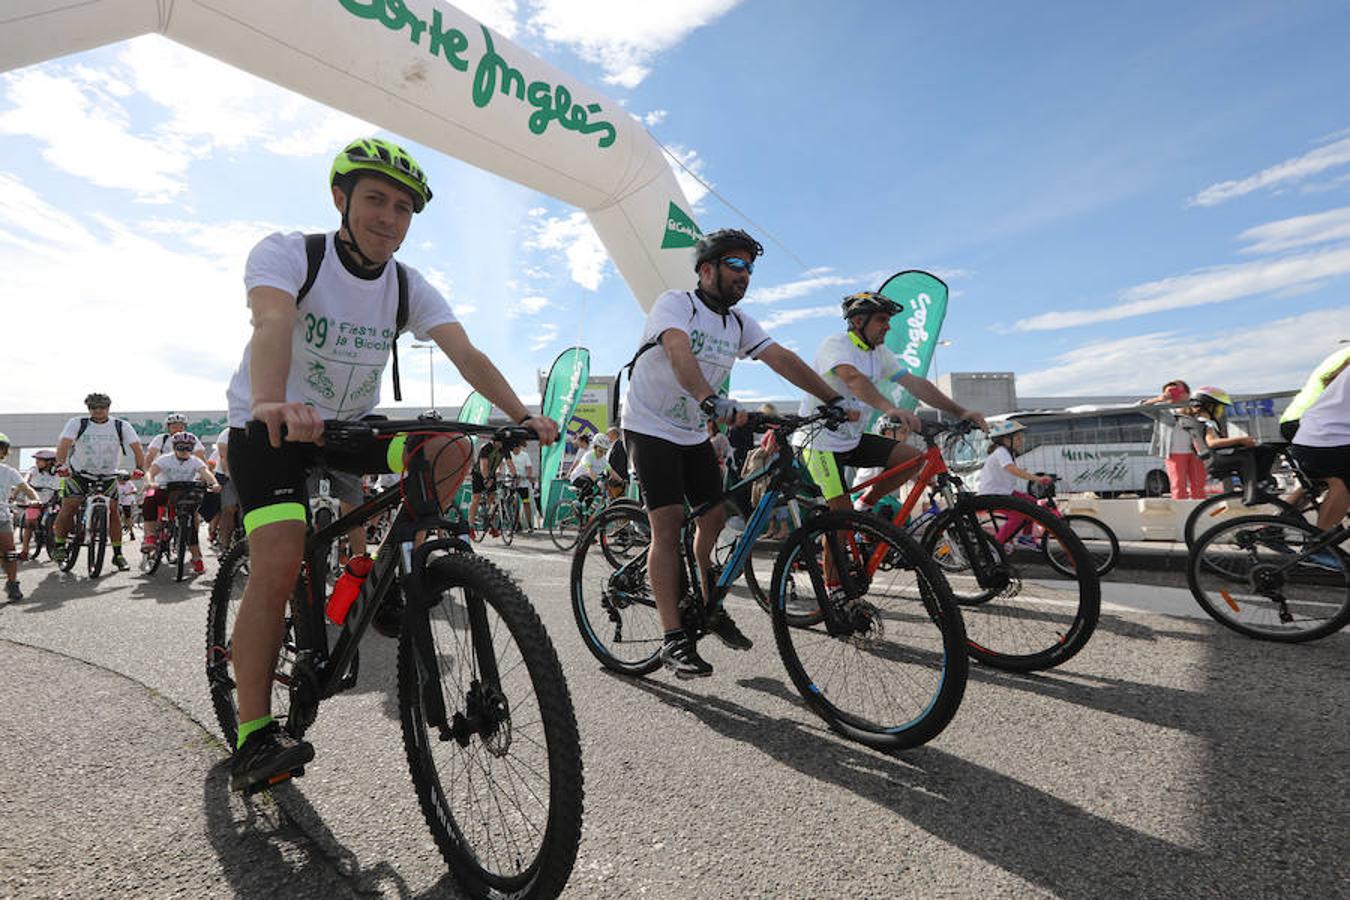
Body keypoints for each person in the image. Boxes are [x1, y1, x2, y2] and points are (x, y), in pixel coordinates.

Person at [222, 136, 557, 793]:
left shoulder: (408, 285)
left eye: (404, 209)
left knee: (451, 447)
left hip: (345, 429)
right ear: (341, 199)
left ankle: (386, 585)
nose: (389, 218)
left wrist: (520, 413)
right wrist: (271, 401)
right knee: (282, 559)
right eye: (376, 200)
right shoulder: (293, 253)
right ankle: (254, 733)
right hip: (271, 427)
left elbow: (467, 355)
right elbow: (271, 321)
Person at [620, 227, 851, 678]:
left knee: (715, 517)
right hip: (648, 424)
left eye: (750, 268)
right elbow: (677, 349)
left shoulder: (739, 322)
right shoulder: (676, 303)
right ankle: (673, 638)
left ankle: (706, 600)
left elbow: (781, 357)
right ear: (707, 270)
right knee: (666, 527)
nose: (745, 275)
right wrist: (711, 399)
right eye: (736, 265)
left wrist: (832, 399)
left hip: (689, 432)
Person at [797, 291, 987, 515]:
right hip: (819, 441)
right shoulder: (837, 343)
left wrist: (961, 411)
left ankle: (864, 506)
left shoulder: (880, 353)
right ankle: (842, 529)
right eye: (881, 319)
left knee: (912, 458)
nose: (887, 326)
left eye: (888, 320)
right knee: (841, 518)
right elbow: (852, 377)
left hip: (851, 439)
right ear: (858, 321)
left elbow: (914, 383)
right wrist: (890, 409)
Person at [53, 392, 146, 571]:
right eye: (93, 408)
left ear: (108, 408)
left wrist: (140, 468)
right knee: (69, 507)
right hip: (79, 473)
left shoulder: (120, 425)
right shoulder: (78, 423)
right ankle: (59, 546)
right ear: (88, 409)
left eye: (102, 407)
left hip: (108, 474)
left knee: (113, 511)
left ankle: (118, 554)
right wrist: (60, 465)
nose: (98, 411)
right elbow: (64, 443)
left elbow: (136, 447)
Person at [1289, 363, 1350, 568]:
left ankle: (1274, 525)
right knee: (1343, 485)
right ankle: (1318, 546)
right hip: (1325, 440)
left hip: (1316, 437)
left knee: (1316, 485)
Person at [144, 435, 221, 574]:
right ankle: (150, 535)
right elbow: (151, 472)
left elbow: (206, 473)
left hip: (185, 493)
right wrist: (150, 482)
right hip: (165, 490)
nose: (185, 450)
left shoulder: (195, 461)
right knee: (149, 499)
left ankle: (196, 558)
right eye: (181, 447)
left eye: (188, 448)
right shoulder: (165, 459)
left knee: (190, 523)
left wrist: (214, 483)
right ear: (174, 447)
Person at [977, 421, 1053, 548]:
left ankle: (1026, 537)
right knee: (1018, 516)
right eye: (1018, 438)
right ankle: (996, 547)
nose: (1021, 440)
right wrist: (1037, 479)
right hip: (992, 495)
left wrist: (1024, 473)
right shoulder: (1001, 451)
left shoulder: (1007, 452)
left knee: (1032, 503)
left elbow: (1007, 470)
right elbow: (1011, 469)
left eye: (1021, 437)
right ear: (1006, 440)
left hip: (1004, 492)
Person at [1141, 379, 1206, 500]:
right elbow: (1140, 407)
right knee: (1177, 486)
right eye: (1169, 391)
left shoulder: (1195, 406)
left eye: (1177, 390)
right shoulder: (1163, 409)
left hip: (1197, 451)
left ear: (1186, 392)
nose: (1173, 393)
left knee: (1198, 485)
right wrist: (1159, 399)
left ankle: (1200, 510)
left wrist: (1188, 402)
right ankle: (1181, 513)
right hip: (1174, 452)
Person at [0, 434, 40, 600]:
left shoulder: (8, 472)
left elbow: (26, 488)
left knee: (9, 550)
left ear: (3, 452)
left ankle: (12, 583)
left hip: (1, 516)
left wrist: (34, 499)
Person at [468, 434, 517, 536]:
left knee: (492, 498)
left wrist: (515, 475)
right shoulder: (486, 448)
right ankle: (470, 526)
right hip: (478, 474)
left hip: (491, 474)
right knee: (476, 499)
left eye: (502, 443)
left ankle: (491, 524)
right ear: (494, 442)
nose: (501, 445)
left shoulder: (504, 449)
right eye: (499, 443)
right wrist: (486, 479)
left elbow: (509, 463)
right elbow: (483, 466)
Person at [19, 449, 61, 561]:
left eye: (39, 460)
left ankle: (58, 547)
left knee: (60, 519)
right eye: (36, 460)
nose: (36, 462)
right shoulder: (34, 470)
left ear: (49, 462)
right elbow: (25, 479)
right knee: (30, 524)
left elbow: (65, 482)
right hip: (34, 501)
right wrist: (24, 485)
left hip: (51, 500)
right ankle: (25, 550)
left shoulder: (58, 472)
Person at [568, 432, 609, 505]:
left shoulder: (597, 453)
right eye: (600, 451)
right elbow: (578, 463)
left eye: (604, 452)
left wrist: (620, 480)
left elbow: (608, 468)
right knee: (588, 484)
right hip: (579, 476)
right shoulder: (587, 453)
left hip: (589, 476)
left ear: (583, 441)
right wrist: (569, 473)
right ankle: (578, 503)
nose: (577, 444)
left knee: (593, 494)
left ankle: (586, 513)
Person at [507, 438, 536, 529]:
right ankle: (514, 523)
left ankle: (530, 525)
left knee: (526, 503)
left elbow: (529, 468)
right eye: (515, 448)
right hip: (511, 482)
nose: (517, 449)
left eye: (518, 448)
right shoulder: (509, 455)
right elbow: (504, 465)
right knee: (510, 502)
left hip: (523, 483)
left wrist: (527, 475)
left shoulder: (525, 455)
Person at [115, 470, 138, 540]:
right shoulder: (115, 484)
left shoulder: (129, 483)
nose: (123, 482)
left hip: (126, 502)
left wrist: (132, 491)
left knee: (128, 518)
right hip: (117, 502)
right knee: (115, 517)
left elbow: (134, 489)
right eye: (121, 480)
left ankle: (131, 533)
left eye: (124, 480)